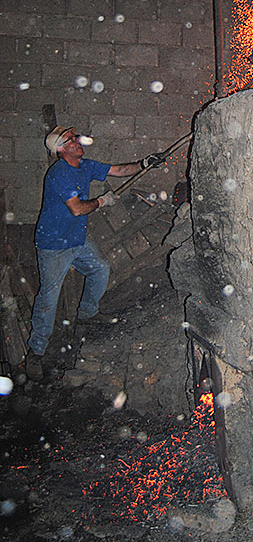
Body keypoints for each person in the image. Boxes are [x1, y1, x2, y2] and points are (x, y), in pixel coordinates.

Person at [24, 125, 161, 382]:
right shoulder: (59, 173)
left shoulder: (85, 166)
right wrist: (101, 201)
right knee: (48, 297)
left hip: (76, 239)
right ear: (61, 150)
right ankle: (36, 351)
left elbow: (118, 170)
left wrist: (144, 163)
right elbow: (76, 209)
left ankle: (87, 314)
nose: (77, 140)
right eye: (70, 139)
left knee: (100, 268)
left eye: (75, 137)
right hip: (54, 245)